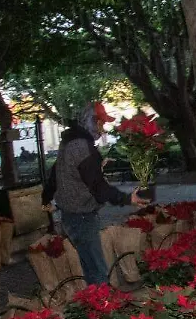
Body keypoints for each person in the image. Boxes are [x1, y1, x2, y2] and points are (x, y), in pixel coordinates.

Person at [42, 103, 145, 285]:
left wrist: (46, 197)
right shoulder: (81, 146)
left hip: (71, 215)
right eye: (101, 124)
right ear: (93, 122)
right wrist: (128, 198)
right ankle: (103, 309)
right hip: (81, 216)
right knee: (97, 271)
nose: (103, 129)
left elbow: (56, 172)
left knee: (90, 266)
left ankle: (95, 307)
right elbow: (99, 188)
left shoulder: (69, 141)